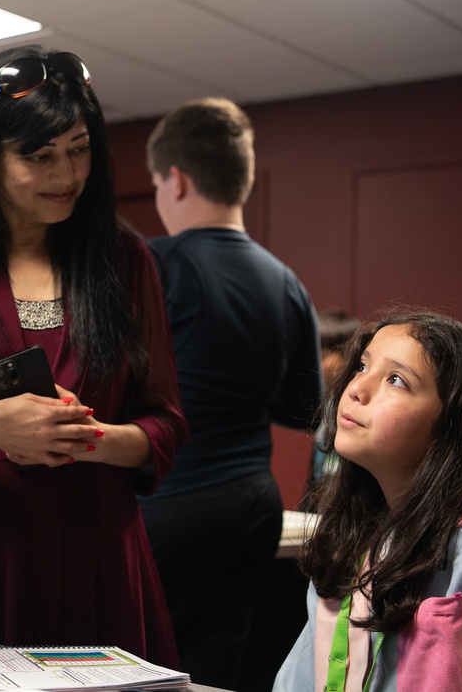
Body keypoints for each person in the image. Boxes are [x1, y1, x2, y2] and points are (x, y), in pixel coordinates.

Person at [0, 45, 187, 667]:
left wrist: (97, 439)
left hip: (102, 554)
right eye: (39, 155)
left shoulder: (127, 262)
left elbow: (164, 422)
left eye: (79, 149)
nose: (66, 174)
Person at [137, 97, 322, 687]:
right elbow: (304, 407)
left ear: (177, 180)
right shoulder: (285, 281)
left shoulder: (155, 264)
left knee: (137, 667)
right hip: (251, 507)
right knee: (216, 670)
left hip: (168, 505)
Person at [275, 312, 462, 691]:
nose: (356, 388)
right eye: (363, 366)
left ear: (458, 421)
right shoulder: (353, 525)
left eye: (396, 380)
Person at [308, 308, 362, 487]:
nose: (316, 365)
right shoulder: (328, 401)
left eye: (322, 356)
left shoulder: (357, 404)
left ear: (347, 355)